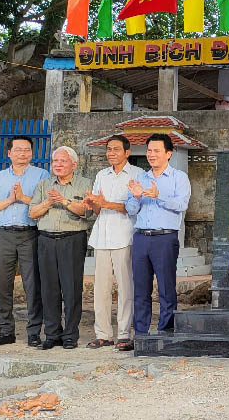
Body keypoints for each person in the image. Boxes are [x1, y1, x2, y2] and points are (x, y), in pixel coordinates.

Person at [0, 135, 49, 347]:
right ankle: (5, 331)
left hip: (30, 233)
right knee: (2, 283)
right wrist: (11, 200)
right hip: (3, 234)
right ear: (9, 153)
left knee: (33, 284)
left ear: (32, 153)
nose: (23, 153)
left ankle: (33, 332)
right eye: (18, 150)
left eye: (27, 150)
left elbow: (45, 205)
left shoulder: (42, 175)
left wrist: (23, 198)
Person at [127, 133, 191, 342]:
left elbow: (181, 205)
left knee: (165, 288)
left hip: (165, 238)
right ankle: (141, 335)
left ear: (168, 154)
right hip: (141, 238)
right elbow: (130, 209)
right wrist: (136, 197)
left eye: (156, 151)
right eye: (149, 150)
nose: (151, 155)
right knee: (141, 289)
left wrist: (158, 196)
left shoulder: (178, 178)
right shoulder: (140, 178)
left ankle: (166, 333)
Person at [29, 146, 92, 350]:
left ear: (74, 164)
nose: (58, 165)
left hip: (72, 239)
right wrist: (49, 201)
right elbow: (33, 213)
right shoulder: (44, 185)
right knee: (49, 289)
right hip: (46, 240)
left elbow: (86, 212)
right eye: (55, 161)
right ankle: (52, 334)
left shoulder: (84, 184)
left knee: (71, 288)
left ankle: (70, 335)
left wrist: (64, 201)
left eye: (62, 161)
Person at [85, 135, 143, 351]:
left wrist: (105, 203)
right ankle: (103, 334)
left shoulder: (137, 175)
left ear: (127, 152)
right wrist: (92, 203)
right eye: (109, 149)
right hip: (101, 235)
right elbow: (99, 209)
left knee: (126, 287)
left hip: (124, 235)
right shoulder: (102, 175)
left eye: (116, 149)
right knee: (101, 288)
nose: (111, 153)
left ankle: (124, 334)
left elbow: (132, 207)